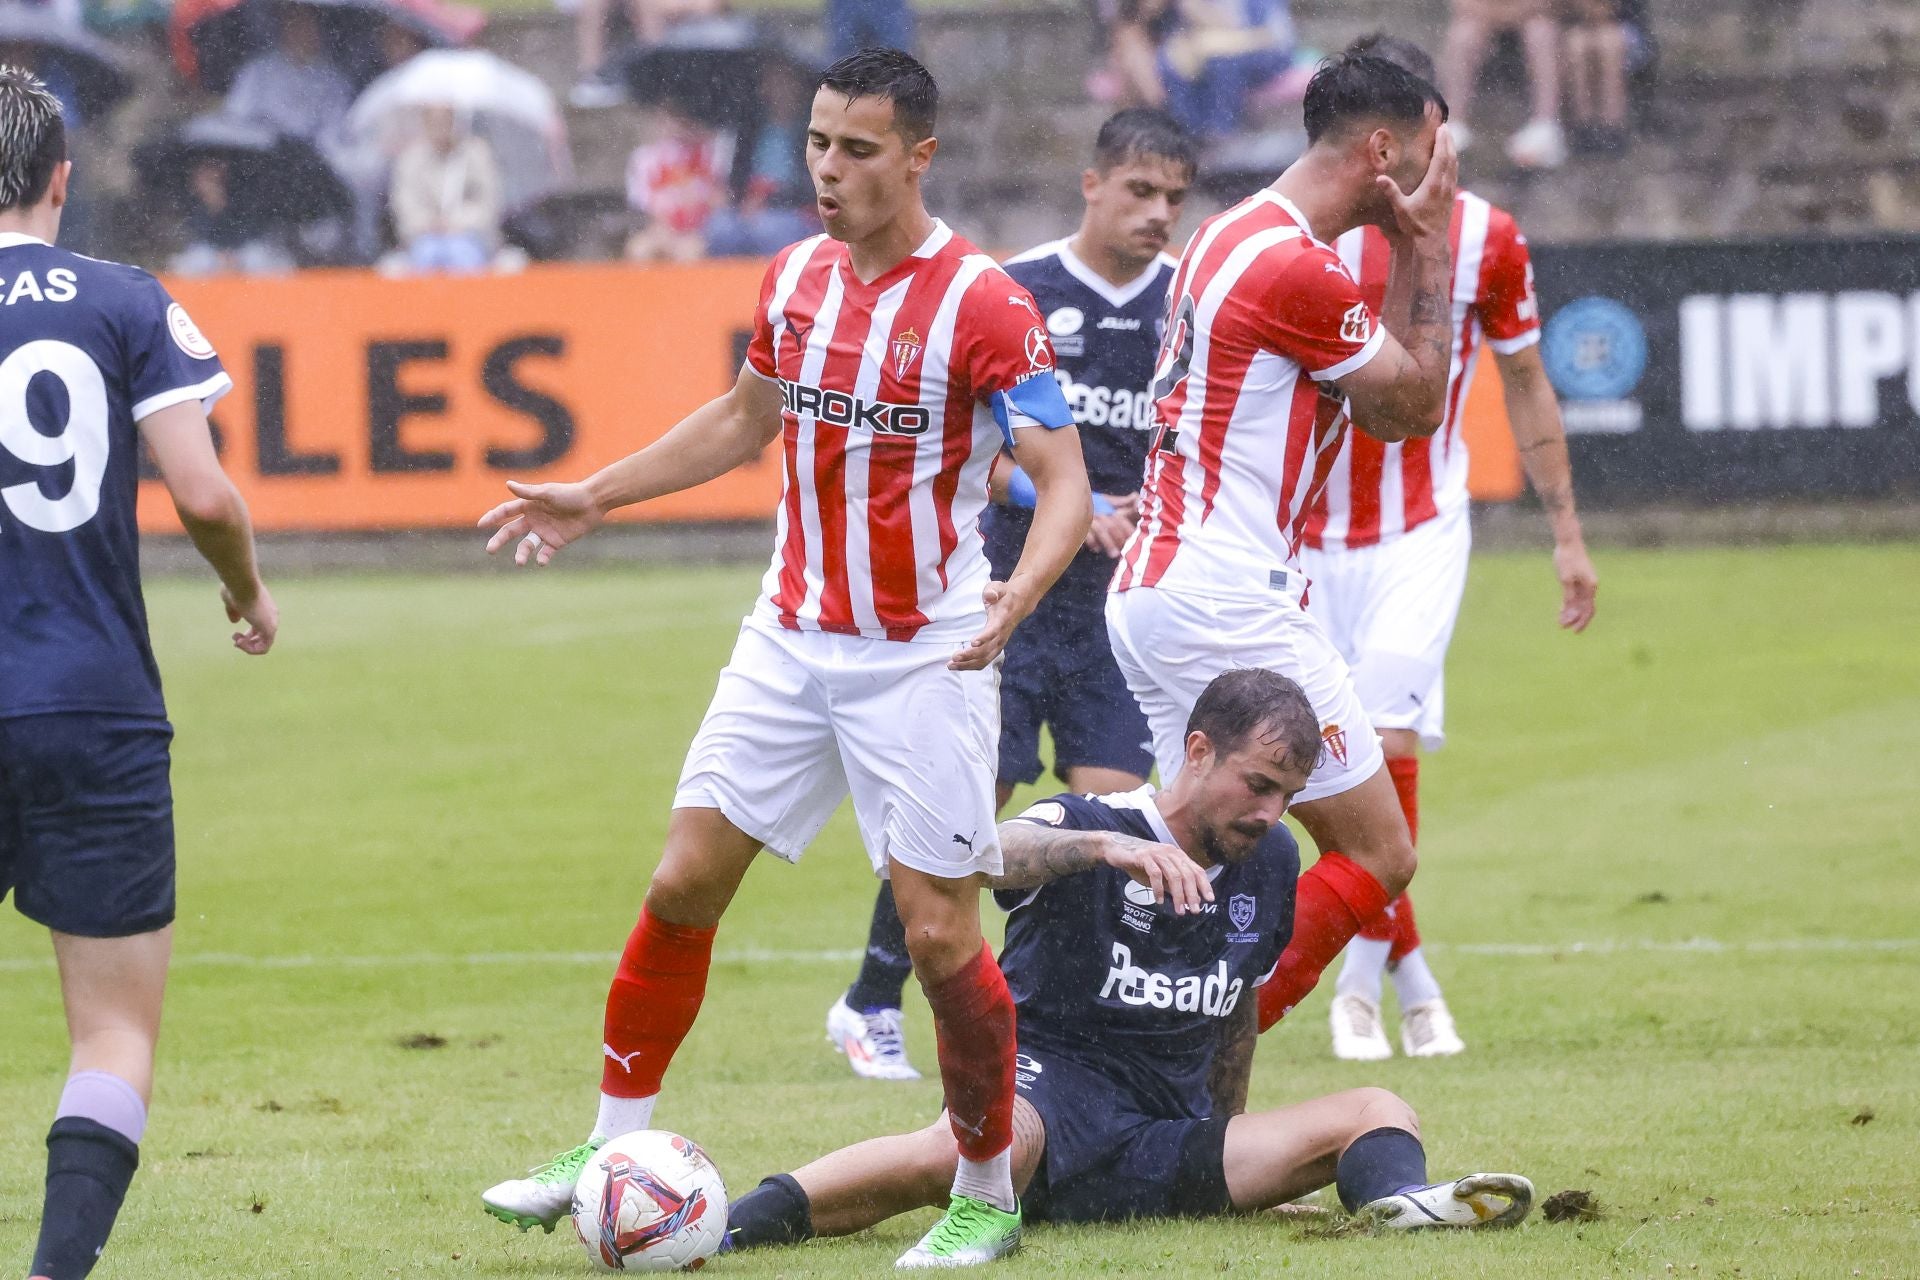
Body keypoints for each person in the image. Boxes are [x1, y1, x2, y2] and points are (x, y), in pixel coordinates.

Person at [475, 48, 1093, 1269]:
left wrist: (1020, 591)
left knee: (939, 939)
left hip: (927, 653)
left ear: (919, 155)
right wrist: (597, 493)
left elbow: (1066, 481)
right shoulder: (798, 274)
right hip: (789, 633)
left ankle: (983, 1191)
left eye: (858, 150)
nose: (828, 169)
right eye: (818, 142)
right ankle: (606, 1149)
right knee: (680, 881)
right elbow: (744, 417)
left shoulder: (982, 301)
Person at [724, 669, 1535, 1255]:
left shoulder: (1273, 860)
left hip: (1166, 1144)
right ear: (1197, 751)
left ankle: (1399, 1208)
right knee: (967, 1153)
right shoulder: (1091, 817)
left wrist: (1227, 1139)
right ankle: (732, 1225)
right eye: (1256, 784)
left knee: (1378, 1107)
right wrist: (1104, 850)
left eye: (1286, 795)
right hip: (1044, 1102)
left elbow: (1237, 1013)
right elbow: (984, 853)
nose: (1269, 813)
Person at [824, 107, 1195, 1083]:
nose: (1158, 214)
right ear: (1092, 184)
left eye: (1173, 199)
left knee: (1105, 823)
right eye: (1140, 192)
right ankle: (868, 1000)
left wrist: (1142, 516)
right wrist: (1069, 503)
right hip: (1006, 595)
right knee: (963, 809)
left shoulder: (1185, 306)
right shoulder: (1013, 289)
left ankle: (1050, 1019)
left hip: (1116, 612)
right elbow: (975, 454)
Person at [1106, 51, 1460, 1042]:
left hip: (1164, 583)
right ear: (1383, 150)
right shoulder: (1296, 266)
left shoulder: (1234, 234)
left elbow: (1386, 412)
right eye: (1431, 157)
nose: (1440, 179)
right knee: (1378, 850)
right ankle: (1192, 1040)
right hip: (1227, 591)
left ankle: (1111, 1049)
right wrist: (1427, 247)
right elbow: (1417, 406)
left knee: (1204, 853)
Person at [0, 66, 278, 1280]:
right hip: (95, 699)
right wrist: (246, 586)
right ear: (64, 177)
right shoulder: (124, 298)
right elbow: (204, 491)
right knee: (110, 1029)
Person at [1300, 33, 1598, 1062]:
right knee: (1318, 772)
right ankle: (1411, 972)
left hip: (1423, 527)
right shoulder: (1306, 236)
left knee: (1384, 739)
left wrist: (1566, 533)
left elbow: (1525, 380)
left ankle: (1354, 987)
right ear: (1387, 136)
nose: (1442, 146)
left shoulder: (1487, 237)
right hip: (1302, 539)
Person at [1439, 0, 1566, 169]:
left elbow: (1546, 5)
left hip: (1531, 19)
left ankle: (1545, 125)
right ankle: (1454, 122)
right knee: (1463, 35)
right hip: (1482, 18)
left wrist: (1506, 14)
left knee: (1541, 33)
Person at [387, 103, 503, 274]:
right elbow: (405, 206)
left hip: (469, 236)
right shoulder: (411, 160)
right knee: (426, 256)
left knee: (464, 258)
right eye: (434, 121)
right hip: (424, 237)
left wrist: (458, 222)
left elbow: (488, 203)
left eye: (445, 120)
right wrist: (431, 223)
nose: (440, 127)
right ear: (425, 123)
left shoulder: (476, 155)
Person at [623, 99, 733, 262]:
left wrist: (694, 224)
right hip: (659, 229)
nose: (674, 127)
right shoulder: (644, 158)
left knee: (688, 253)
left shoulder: (708, 155)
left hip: (697, 231)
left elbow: (720, 200)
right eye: (665, 121)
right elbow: (643, 205)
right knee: (639, 251)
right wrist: (663, 231)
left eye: (680, 121)